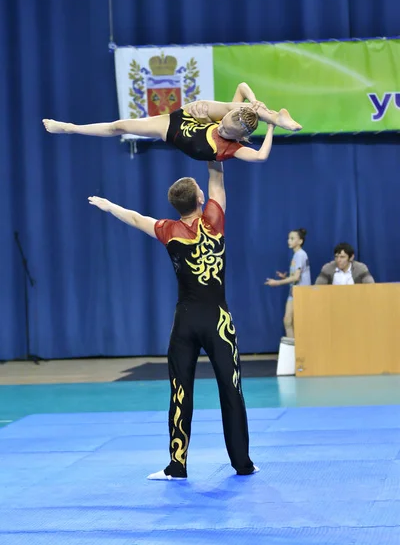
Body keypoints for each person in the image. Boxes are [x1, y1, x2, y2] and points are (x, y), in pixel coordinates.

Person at [88, 160, 258, 480]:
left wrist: (109, 205)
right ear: (199, 200)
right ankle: (242, 464)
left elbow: (136, 218)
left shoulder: (168, 230)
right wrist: (213, 148)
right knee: (231, 390)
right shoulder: (214, 221)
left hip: (185, 323)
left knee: (180, 391)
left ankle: (176, 465)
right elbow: (217, 178)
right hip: (218, 320)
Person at [43, 82, 301, 163]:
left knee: (237, 112)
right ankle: (69, 127)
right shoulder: (225, 120)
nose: (220, 126)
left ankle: (274, 119)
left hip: (175, 133)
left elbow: (261, 157)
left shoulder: (231, 148)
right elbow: (242, 86)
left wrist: (270, 129)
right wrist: (254, 101)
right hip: (181, 119)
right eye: (222, 124)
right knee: (119, 125)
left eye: (224, 130)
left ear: (234, 138)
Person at [264, 229, 311, 338]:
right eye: (289, 238)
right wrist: (285, 277)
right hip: (293, 292)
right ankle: (293, 350)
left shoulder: (300, 255)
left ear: (300, 241)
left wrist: (277, 282)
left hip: (301, 293)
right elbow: (296, 277)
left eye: (292, 238)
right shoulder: (296, 256)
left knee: (294, 322)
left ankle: (297, 350)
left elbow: (297, 277)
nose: (289, 241)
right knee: (288, 321)